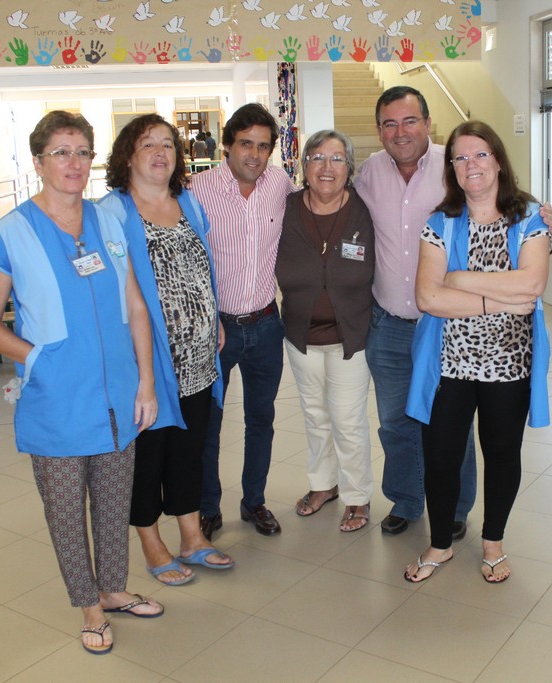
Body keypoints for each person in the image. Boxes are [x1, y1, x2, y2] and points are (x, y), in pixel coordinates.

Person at [0, 111, 163, 656]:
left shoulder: (108, 222)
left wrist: (146, 382)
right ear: (38, 162)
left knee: (114, 500)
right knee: (65, 511)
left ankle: (114, 588)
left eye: (82, 152)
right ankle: (89, 607)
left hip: (118, 393)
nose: (73, 163)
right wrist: (37, 359)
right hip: (56, 399)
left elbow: (135, 305)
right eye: (60, 152)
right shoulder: (10, 234)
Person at [404, 121, 550, 584]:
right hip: (449, 363)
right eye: (461, 158)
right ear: (451, 168)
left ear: (499, 160)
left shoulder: (530, 217)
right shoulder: (440, 222)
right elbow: (427, 297)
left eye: (481, 154)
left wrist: (458, 279)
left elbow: (532, 284)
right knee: (441, 455)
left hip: (509, 362)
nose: (471, 165)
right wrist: (496, 301)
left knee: (502, 453)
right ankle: (440, 544)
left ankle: (493, 542)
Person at [99, 113, 233, 587]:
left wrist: (213, 314)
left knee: (189, 449)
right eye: (148, 144)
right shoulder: (112, 211)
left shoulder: (188, 201)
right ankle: (152, 543)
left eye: (168, 145)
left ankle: (192, 537)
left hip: (198, 358)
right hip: (148, 361)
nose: (160, 153)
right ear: (127, 156)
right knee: (149, 453)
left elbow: (203, 267)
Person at [354, 86, 478, 539]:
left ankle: (456, 507)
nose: (400, 132)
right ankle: (407, 500)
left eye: (409, 121)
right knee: (395, 422)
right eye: (389, 124)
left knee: (452, 424)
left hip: (446, 325)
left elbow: (502, 199)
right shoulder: (369, 171)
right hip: (388, 324)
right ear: (379, 130)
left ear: (427, 123)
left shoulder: (455, 164)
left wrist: (542, 214)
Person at [191, 104, 295, 537]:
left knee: (261, 420)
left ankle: (254, 502)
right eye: (246, 144)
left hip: (267, 325)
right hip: (216, 329)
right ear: (227, 146)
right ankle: (207, 507)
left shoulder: (280, 184)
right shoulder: (197, 190)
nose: (254, 155)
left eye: (264, 146)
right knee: (209, 425)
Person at [276, 130, 376, 532]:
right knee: (315, 415)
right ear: (304, 166)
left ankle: (357, 495)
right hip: (300, 335)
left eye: (337, 159)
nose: (327, 167)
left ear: (349, 167)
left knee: (347, 420)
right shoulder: (285, 208)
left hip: (351, 335)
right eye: (317, 157)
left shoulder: (365, 209)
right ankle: (323, 485)